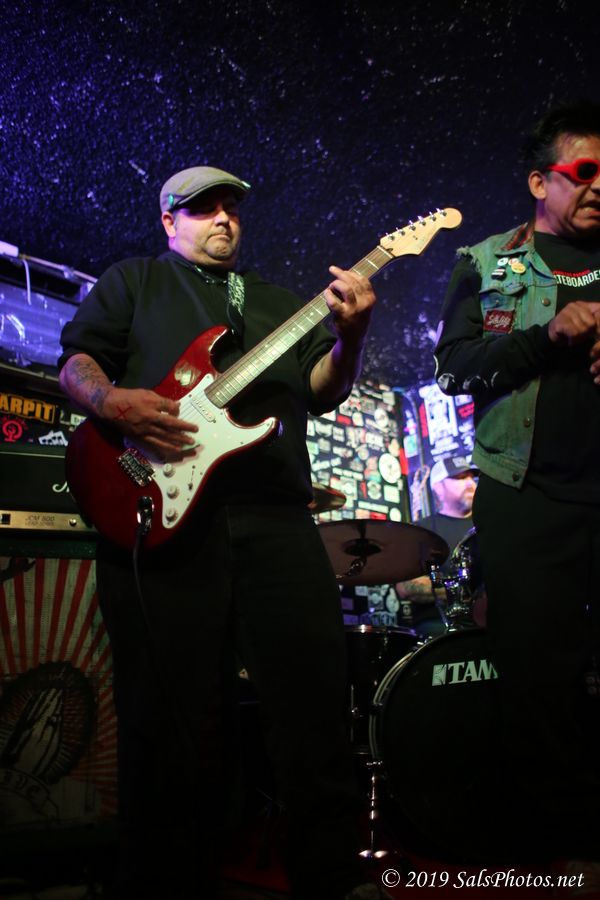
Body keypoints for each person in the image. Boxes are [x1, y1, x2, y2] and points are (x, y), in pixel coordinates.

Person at [57, 166, 392, 900]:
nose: (223, 218)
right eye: (203, 208)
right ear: (168, 220)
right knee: (167, 718)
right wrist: (111, 402)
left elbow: (324, 390)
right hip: (162, 515)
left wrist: (352, 335)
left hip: (275, 516)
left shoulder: (280, 302)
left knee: (312, 705)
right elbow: (76, 361)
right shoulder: (136, 281)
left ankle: (334, 878)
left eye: (232, 207)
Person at [433, 101, 600, 865]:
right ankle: (555, 855)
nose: (598, 186)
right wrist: (546, 335)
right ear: (540, 181)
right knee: (538, 684)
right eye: (583, 171)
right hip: (524, 495)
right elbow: (453, 370)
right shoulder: (484, 261)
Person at [395, 455, 478, 637]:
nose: (470, 483)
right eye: (459, 478)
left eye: (472, 477)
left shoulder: (486, 525)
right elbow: (405, 587)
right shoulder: (422, 530)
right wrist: (466, 589)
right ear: (438, 488)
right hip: (438, 627)